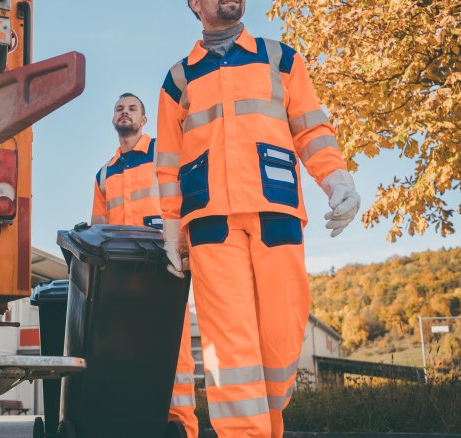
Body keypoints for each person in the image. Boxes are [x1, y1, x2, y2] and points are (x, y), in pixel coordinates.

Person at [155, 0, 361, 436]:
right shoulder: (178, 79)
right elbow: (168, 162)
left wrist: (337, 178)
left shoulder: (280, 58)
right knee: (229, 351)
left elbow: (311, 128)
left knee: (283, 333)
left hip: (275, 209)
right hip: (210, 221)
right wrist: (172, 231)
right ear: (194, 4)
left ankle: (269, 422)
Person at [91, 93, 198, 438]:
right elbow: (97, 228)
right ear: (113, 118)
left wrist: (185, 248)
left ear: (144, 120)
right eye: (119, 108)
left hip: (164, 263)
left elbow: (185, 198)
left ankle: (180, 426)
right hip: (122, 274)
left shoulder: (161, 155)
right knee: (128, 351)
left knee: (174, 350)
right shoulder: (104, 174)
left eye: (132, 108)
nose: (125, 112)